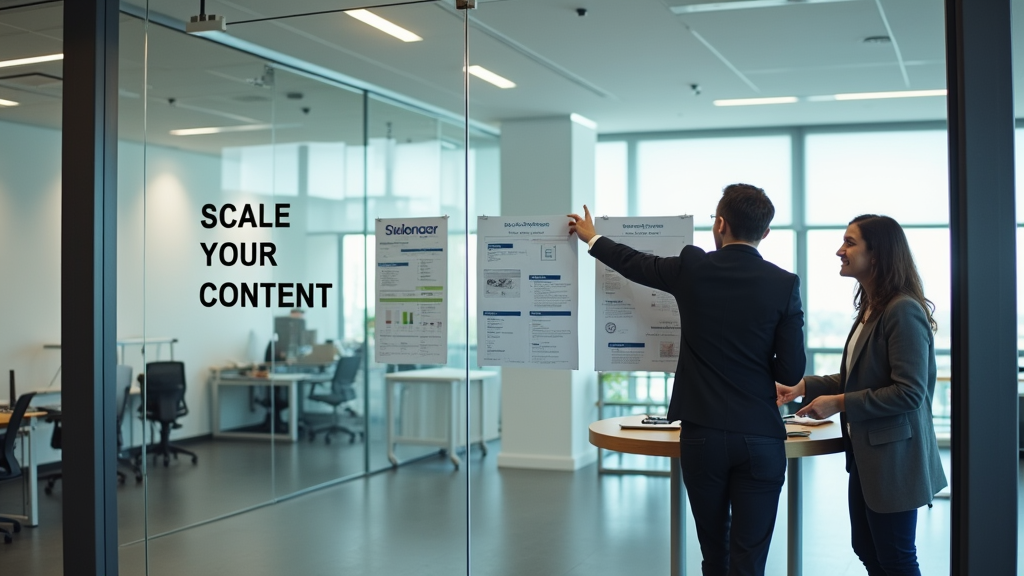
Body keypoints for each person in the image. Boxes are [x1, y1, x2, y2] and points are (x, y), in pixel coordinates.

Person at [569, 184, 805, 576]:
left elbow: (635, 262)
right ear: (765, 234)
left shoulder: (694, 268)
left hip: (703, 437)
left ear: (720, 224)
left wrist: (592, 236)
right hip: (760, 438)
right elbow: (790, 372)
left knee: (713, 553)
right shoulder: (785, 283)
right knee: (749, 560)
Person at [776, 214, 947, 576]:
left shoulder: (902, 311)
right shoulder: (871, 309)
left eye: (850, 242)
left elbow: (908, 393)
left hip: (895, 460)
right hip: (868, 457)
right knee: (868, 548)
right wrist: (805, 386)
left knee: (897, 558)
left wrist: (838, 404)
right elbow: (856, 375)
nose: (840, 250)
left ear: (879, 253)